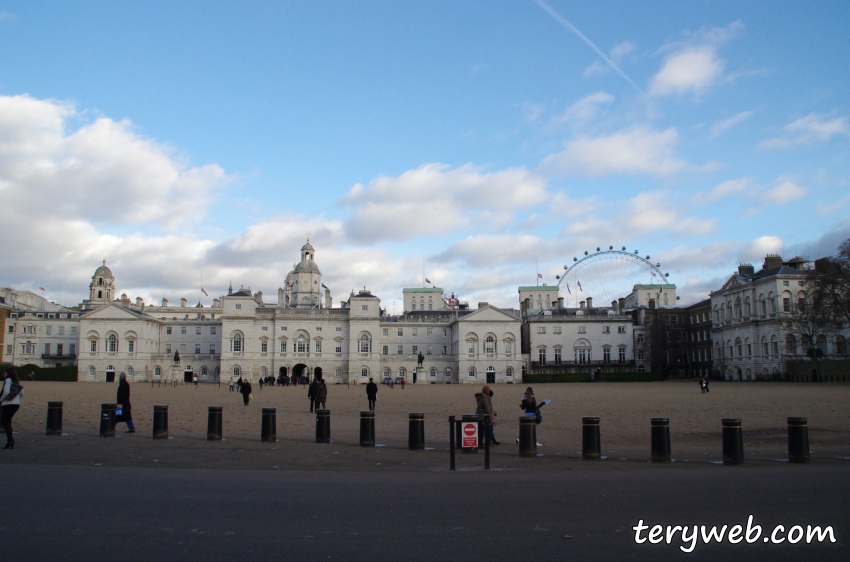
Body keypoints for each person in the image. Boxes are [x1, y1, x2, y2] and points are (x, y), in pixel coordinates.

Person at [1, 367, 24, 449]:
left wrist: (1, 400)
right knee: (7, 421)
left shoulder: (8, 380)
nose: (4, 374)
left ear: (7, 373)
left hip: (8, 404)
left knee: (4, 421)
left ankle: (10, 440)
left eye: (5, 373)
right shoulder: (17, 380)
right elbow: (22, 392)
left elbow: (6, 392)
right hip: (16, 404)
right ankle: (10, 440)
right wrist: (16, 398)